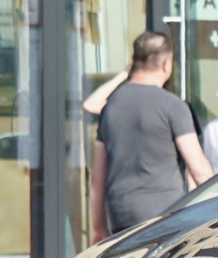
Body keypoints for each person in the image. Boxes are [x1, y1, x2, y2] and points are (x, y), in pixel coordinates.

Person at [88, 31, 210, 242]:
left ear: (134, 61)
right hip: (166, 216)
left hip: (122, 215)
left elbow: (97, 175)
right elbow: (199, 170)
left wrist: (98, 226)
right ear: (166, 64)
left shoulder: (111, 107)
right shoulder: (173, 106)